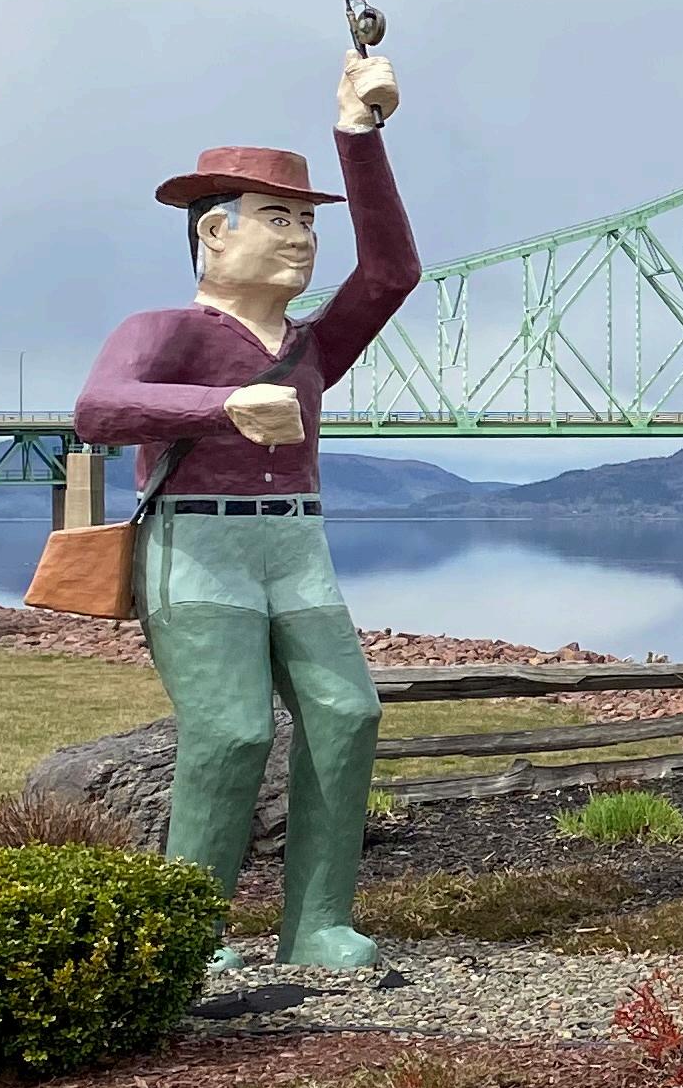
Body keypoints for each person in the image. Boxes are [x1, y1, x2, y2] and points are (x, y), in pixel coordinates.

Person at [72, 50, 422, 966]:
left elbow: (393, 272)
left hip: (297, 545)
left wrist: (358, 134)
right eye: (279, 218)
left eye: (307, 222)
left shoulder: (314, 344)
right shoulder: (165, 330)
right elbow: (97, 409)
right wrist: (221, 405)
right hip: (197, 548)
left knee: (347, 714)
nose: (302, 238)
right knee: (230, 731)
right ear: (214, 234)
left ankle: (317, 924)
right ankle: (191, 933)